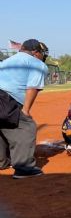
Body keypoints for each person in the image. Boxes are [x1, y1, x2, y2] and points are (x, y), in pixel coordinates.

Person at [0, 39, 49, 179]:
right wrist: (26, 110)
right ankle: (24, 169)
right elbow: (32, 87)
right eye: (42, 53)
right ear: (35, 52)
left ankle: (2, 162)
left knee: (3, 125)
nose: (43, 57)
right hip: (5, 98)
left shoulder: (8, 61)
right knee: (26, 126)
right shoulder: (37, 64)